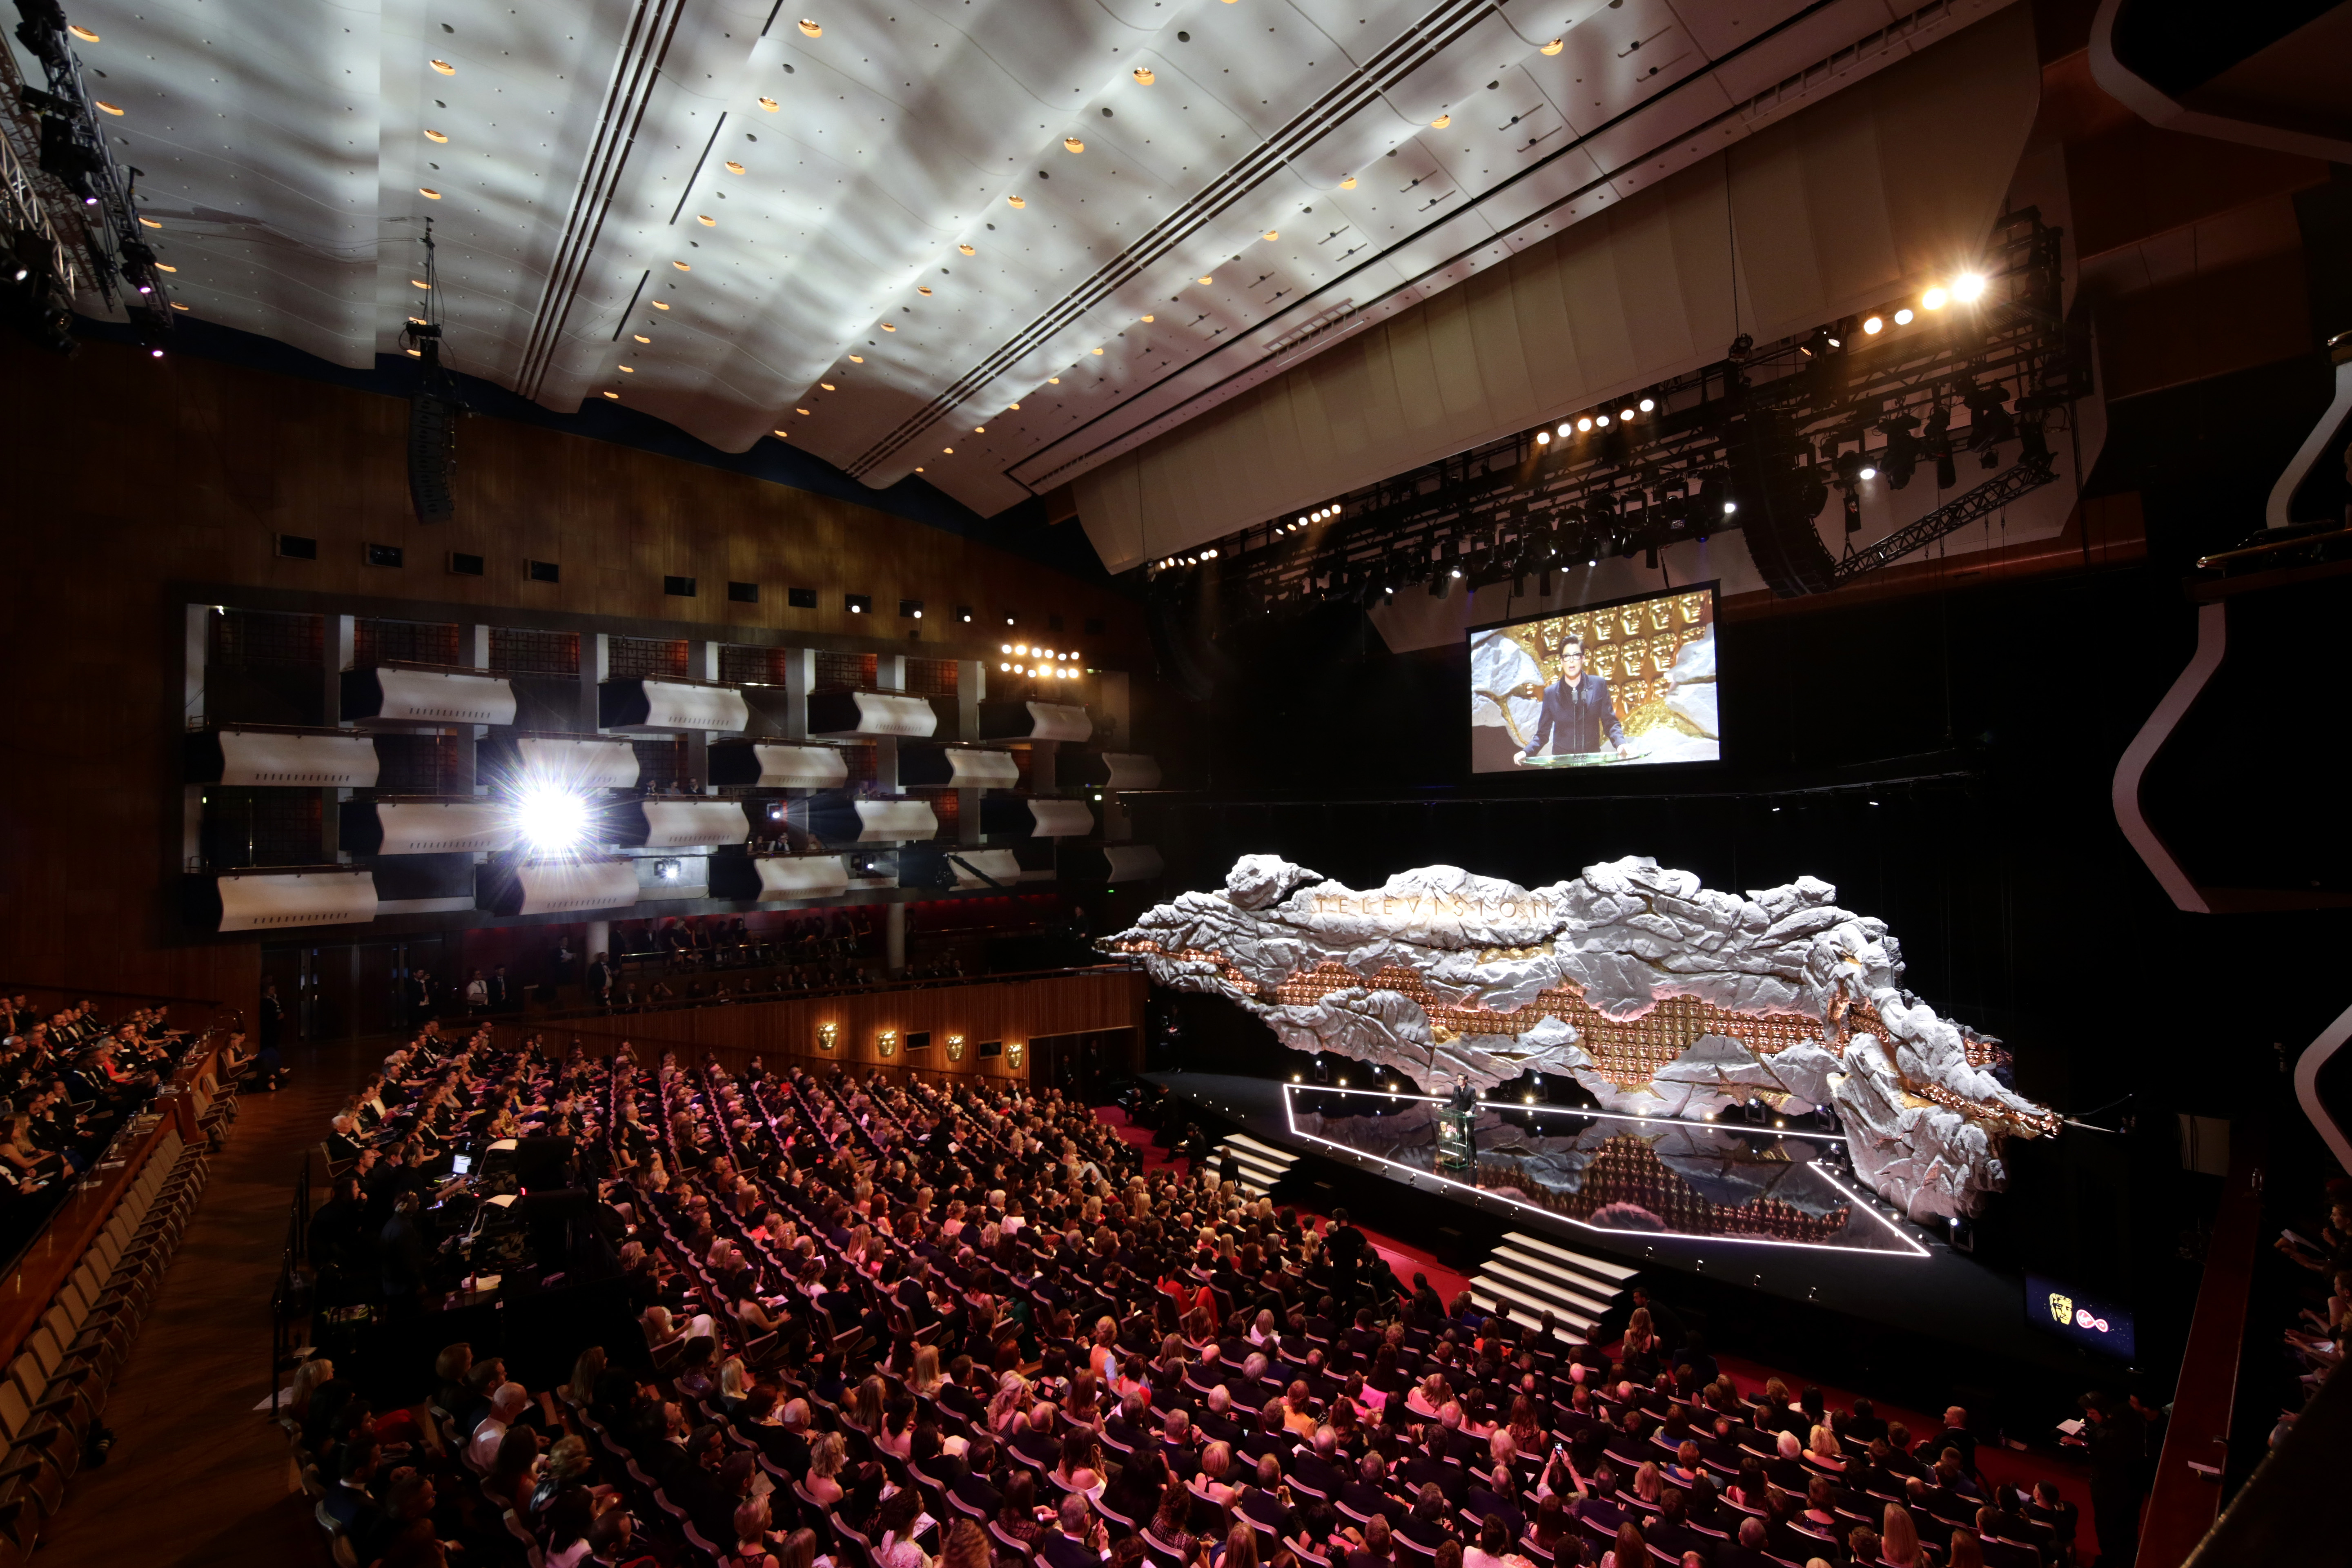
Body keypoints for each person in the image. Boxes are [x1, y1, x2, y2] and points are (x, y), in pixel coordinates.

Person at [1521, 637, 1631, 762]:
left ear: (1583, 659)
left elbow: (1610, 723)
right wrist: (1526, 752)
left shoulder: (1598, 685)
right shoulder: (1550, 693)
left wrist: (1621, 743)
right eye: (1567, 656)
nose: (1571, 661)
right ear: (1562, 661)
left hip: (1591, 763)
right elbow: (1542, 734)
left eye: (1576, 656)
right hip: (1562, 765)